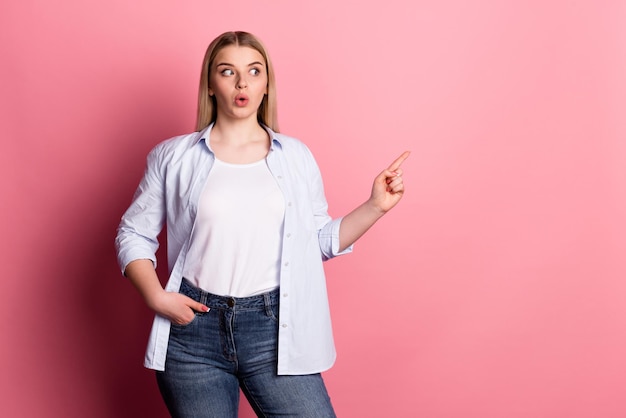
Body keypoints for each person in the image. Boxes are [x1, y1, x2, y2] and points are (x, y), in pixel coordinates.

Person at [116, 31, 409, 418]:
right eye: (228, 71)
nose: (242, 83)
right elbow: (133, 233)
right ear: (210, 84)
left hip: (274, 329)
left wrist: (375, 206)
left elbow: (317, 241)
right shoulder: (173, 157)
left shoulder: (296, 158)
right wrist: (156, 297)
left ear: (266, 84)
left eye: (254, 71)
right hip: (192, 332)